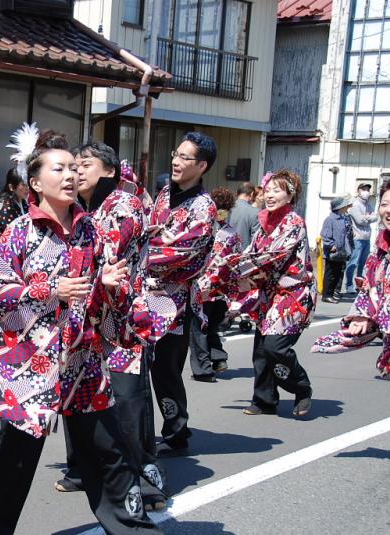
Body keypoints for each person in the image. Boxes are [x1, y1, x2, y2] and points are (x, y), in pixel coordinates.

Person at [0, 127, 162, 535]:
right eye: (61, 168)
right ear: (35, 183)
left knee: (107, 449)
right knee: (14, 456)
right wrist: (48, 290)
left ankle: (133, 529)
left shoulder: (91, 231)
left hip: (82, 358)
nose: (71, 175)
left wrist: (108, 285)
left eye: (75, 168)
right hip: (29, 366)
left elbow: (99, 298)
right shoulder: (19, 232)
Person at [54, 141, 172, 511]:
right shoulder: (79, 209)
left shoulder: (124, 204)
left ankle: (144, 482)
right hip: (84, 318)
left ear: (108, 171)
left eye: (84, 165)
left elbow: (104, 255)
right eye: (73, 166)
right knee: (79, 395)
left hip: (120, 323)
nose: (77, 172)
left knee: (126, 402)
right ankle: (83, 469)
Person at [197, 170, 316, 418]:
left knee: (275, 347)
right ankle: (264, 399)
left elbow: (269, 258)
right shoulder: (264, 222)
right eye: (268, 190)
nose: (270, 195)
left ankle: (301, 386)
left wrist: (228, 271)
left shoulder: (293, 222)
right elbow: (251, 253)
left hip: (292, 293)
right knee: (261, 349)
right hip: (268, 294)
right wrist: (222, 276)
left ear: (290, 195)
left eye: (277, 190)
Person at [146, 132, 217, 457]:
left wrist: (135, 254)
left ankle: (176, 432)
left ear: (201, 165)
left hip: (174, 303)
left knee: (166, 371)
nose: (175, 160)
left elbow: (179, 252)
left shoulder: (203, 207)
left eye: (185, 157)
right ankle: (151, 431)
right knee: (140, 367)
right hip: (144, 295)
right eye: (176, 153)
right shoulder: (164, 194)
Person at [312, 176, 390, 411]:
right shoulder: (382, 247)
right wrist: (363, 314)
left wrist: (380, 317)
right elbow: (370, 283)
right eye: (384, 204)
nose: (389, 210)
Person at [188, 187, 241, 382]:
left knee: (199, 327)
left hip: (201, 285)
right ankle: (218, 357)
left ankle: (203, 369)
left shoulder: (201, 230)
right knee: (211, 326)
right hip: (221, 286)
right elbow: (237, 261)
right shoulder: (231, 233)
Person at [345, 183, 378, 294]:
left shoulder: (368, 204)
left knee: (363, 264)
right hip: (357, 238)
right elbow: (359, 220)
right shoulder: (355, 204)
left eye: (368, 189)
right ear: (358, 190)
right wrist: (369, 217)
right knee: (353, 262)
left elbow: (376, 217)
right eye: (364, 189)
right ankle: (349, 284)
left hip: (367, 238)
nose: (366, 191)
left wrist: (367, 218)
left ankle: (359, 285)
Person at [321, 195, 354, 303]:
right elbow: (325, 235)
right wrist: (331, 245)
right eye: (344, 205)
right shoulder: (330, 219)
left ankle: (331, 294)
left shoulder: (343, 218)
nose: (346, 207)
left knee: (337, 274)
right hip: (333, 252)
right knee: (330, 275)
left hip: (341, 251)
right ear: (340, 207)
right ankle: (326, 295)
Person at [0, 168, 28, 242]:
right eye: (23, 185)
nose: (27, 188)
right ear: (11, 187)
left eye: (27, 184)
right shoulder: (3, 205)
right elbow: (13, 233)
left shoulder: (23, 202)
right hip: (3, 250)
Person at [228, 181, 260, 248]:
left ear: (237, 193)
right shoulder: (255, 212)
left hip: (223, 253)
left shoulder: (226, 207)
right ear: (251, 194)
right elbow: (255, 241)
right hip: (243, 255)